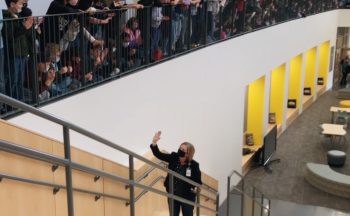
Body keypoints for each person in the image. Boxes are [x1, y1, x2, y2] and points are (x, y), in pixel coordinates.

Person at [150, 131, 202, 216]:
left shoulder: (194, 165)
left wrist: (196, 189)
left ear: (188, 153)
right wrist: (154, 142)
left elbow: (198, 182)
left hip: (187, 197)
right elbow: (159, 154)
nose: (180, 150)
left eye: (183, 150)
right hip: (173, 195)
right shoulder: (174, 157)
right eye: (180, 148)